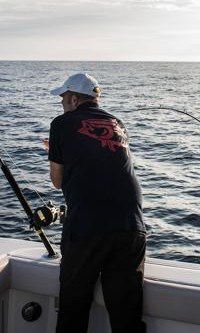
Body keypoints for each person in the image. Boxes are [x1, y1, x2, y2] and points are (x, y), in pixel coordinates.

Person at [47, 72, 147, 333]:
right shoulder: (117, 122)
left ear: (72, 98)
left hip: (87, 226)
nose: (61, 103)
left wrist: (56, 152)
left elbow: (57, 181)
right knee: (127, 318)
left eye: (62, 98)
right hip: (132, 226)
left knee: (73, 311)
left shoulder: (61, 123)